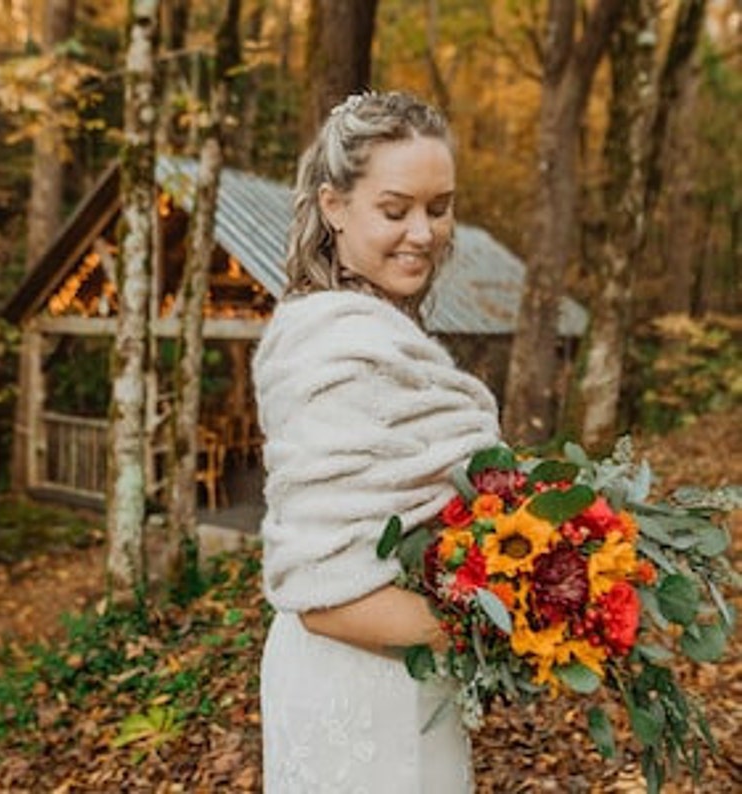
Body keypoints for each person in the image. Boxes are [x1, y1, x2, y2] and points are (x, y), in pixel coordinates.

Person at [252, 90, 501, 793]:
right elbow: (324, 598)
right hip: (356, 691)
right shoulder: (331, 350)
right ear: (334, 207)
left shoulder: (380, 332)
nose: (423, 232)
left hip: (412, 675)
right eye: (395, 210)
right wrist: (509, 622)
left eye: (440, 207)